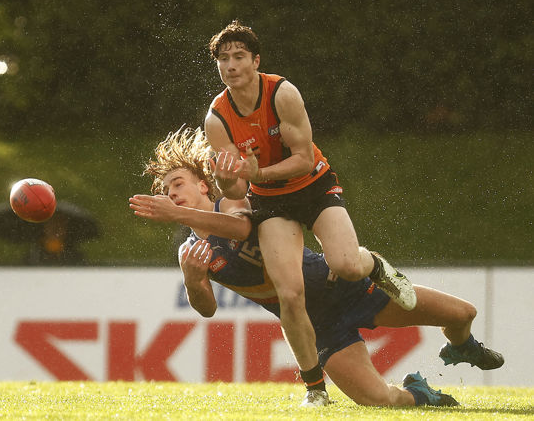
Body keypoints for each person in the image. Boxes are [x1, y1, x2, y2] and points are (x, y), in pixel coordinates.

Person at [129, 127, 504, 407]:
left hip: (343, 286)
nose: (171, 193)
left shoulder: (228, 204)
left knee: (463, 314)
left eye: (177, 183)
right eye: (166, 191)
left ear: (203, 185)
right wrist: (194, 281)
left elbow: (242, 227)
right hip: (317, 325)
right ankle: (420, 393)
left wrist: (180, 215)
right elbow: (207, 309)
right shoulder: (190, 252)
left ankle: (463, 346)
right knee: (379, 400)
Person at [202, 20, 416, 404]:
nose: (231, 66)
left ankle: (375, 265)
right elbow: (235, 190)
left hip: (312, 187)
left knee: (347, 265)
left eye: (239, 57)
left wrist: (258, 174)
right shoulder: (216, 118)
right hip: (269, 202)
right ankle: (315, 389)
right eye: (223, 59)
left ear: (256, 60)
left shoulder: (282, 94)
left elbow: (302, 159)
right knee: (290, 294)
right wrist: (225, 179)